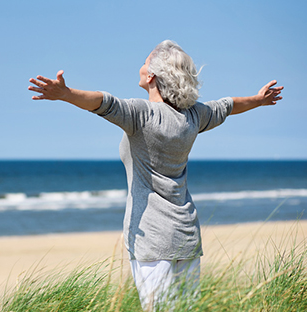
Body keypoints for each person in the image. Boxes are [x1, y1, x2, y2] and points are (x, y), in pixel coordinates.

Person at [28, 40, 283, 311]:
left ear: (151, 76)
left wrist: (66, 94)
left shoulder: (142, 115)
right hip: (186, 236)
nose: (140, 65)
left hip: (152, 240)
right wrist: (259, 100)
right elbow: (227, 106)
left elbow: (104, 102)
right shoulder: (193, 116)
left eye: (145, 61)